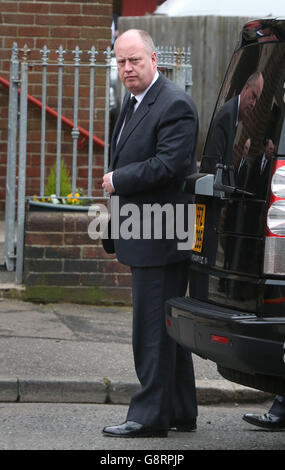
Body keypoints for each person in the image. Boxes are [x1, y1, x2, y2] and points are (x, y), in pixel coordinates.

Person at [101, 29, 199, 438]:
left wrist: (117, 180)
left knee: (152, 330)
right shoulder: (133, 100)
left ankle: (148, 416)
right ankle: (178, 409)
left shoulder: (174, 104)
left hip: (161, 234)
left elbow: (168, 165)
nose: (127, 68)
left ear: (155, 59)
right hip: (144, 231)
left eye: (135, 60)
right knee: (167, 327)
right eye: (121, 61)